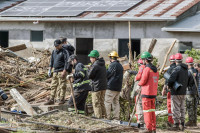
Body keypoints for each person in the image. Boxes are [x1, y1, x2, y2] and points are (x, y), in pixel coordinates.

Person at [138, 52, 159, 133]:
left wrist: (139, 84)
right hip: (153, 93)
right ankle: (153, 128)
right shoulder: (155, 70)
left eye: (143, 59)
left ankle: (148, 129)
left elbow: (143, 81)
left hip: (146, 93)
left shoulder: (147, 69)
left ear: (145, 60)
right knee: (152, 111)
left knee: (146, 112)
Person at [45, 39, 70, 105]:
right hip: (55, 71)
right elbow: (52, 61)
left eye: (57, 46)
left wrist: (64, 71)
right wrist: (50, 69)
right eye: (55, 46)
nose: (56, 47)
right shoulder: (54, 51)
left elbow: (67, 62)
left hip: (61, 71)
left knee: (62, 85)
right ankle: (51, 99)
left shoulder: (64, 52)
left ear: (61, 45)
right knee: (53, 85)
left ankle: (61, 99)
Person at [168, 53, 189, 131]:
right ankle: (182, 124)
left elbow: (171, 79)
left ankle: (176, 124)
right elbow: (189, 80)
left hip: (176, 92)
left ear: (175, 61)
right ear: (182, 60)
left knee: (176, 108)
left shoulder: (177, 69)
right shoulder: (186, 69)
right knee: (182, 107)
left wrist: (169, 85)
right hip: (183, 92)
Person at [88, 50, 107, 119]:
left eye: (91, 57)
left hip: (96, 86)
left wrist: (89, 69)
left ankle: (98, 118)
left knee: (96, 103)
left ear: (94, 58)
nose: (90, 59)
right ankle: (104, 117)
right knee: (101, 102)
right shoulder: (102, 64)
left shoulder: (95, 65)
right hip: (103, 86)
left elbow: (89, 75)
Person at [104, 51, 123, 120]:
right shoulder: (120, 65)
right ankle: (116, 117)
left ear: (111, 58)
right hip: (118, 88)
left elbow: (108, 75)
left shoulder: (112, 65)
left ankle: (107, 117)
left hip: (111, 87)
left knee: (107, 102)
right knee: (116, 103)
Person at [162, 55, 176, 127]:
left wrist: (164, 89)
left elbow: (167, 81)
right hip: (178, 91)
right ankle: (177, 121)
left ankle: (171, 121)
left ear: (170, 61)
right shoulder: (179, 69)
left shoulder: (170, 69)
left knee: (170, 106)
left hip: (170, 91)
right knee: (177, 106)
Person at [185, 57, 198, 127]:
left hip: (189, 91)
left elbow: (186, 82)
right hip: (195, 91)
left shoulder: (188, 72)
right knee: (194, 106)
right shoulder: (196, 71)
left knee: (189, 106)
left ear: (187, 64)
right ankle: (195, 121)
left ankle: (191, 121)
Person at [134, 58, 145, 127]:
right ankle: (144, 120)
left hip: (140, 88)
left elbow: (139, 77)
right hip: (146, 90)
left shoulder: (142, 67)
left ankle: (140, 122)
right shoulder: (148, 68)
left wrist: (136, 78)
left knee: (139, 105)